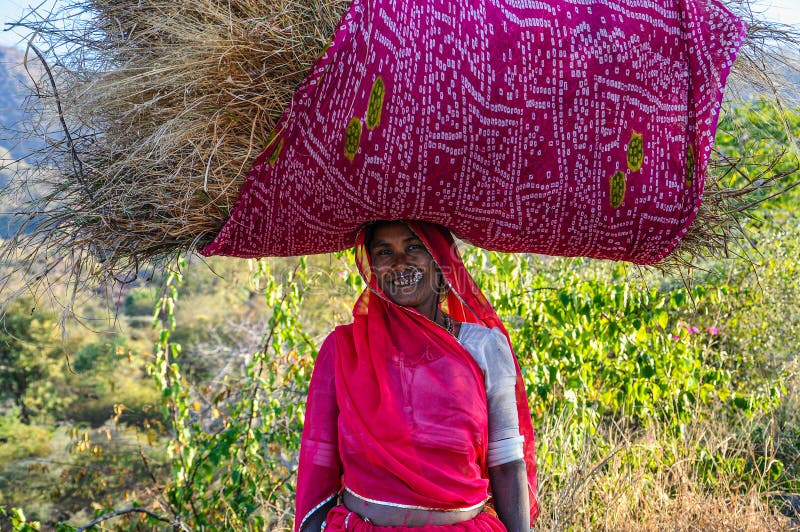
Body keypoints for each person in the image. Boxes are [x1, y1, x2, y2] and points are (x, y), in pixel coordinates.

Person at [295, 220, 538, 531]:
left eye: (414, 247)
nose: (399, 262)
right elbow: (320, 460)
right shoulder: (345, 349)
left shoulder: (484, 347)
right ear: (372, 267)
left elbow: (506, 461)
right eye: (384, 251)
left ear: (440, 260)